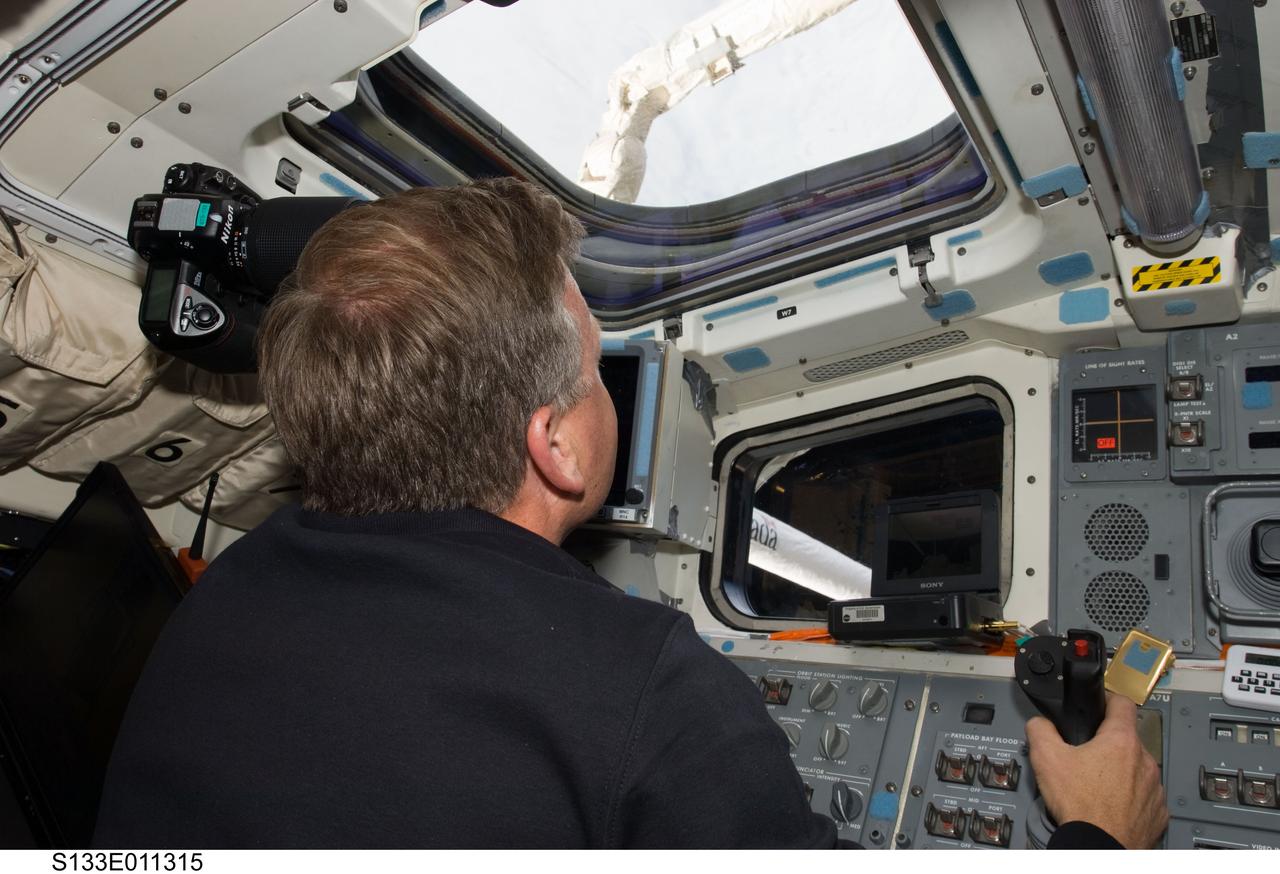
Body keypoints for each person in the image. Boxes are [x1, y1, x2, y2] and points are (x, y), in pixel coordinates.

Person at [93, 179, 1166, 848]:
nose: (610, 384)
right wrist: (1095, 830)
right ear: (554, 445)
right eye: (594, 367)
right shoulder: (642, 690)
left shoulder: (222, 597)